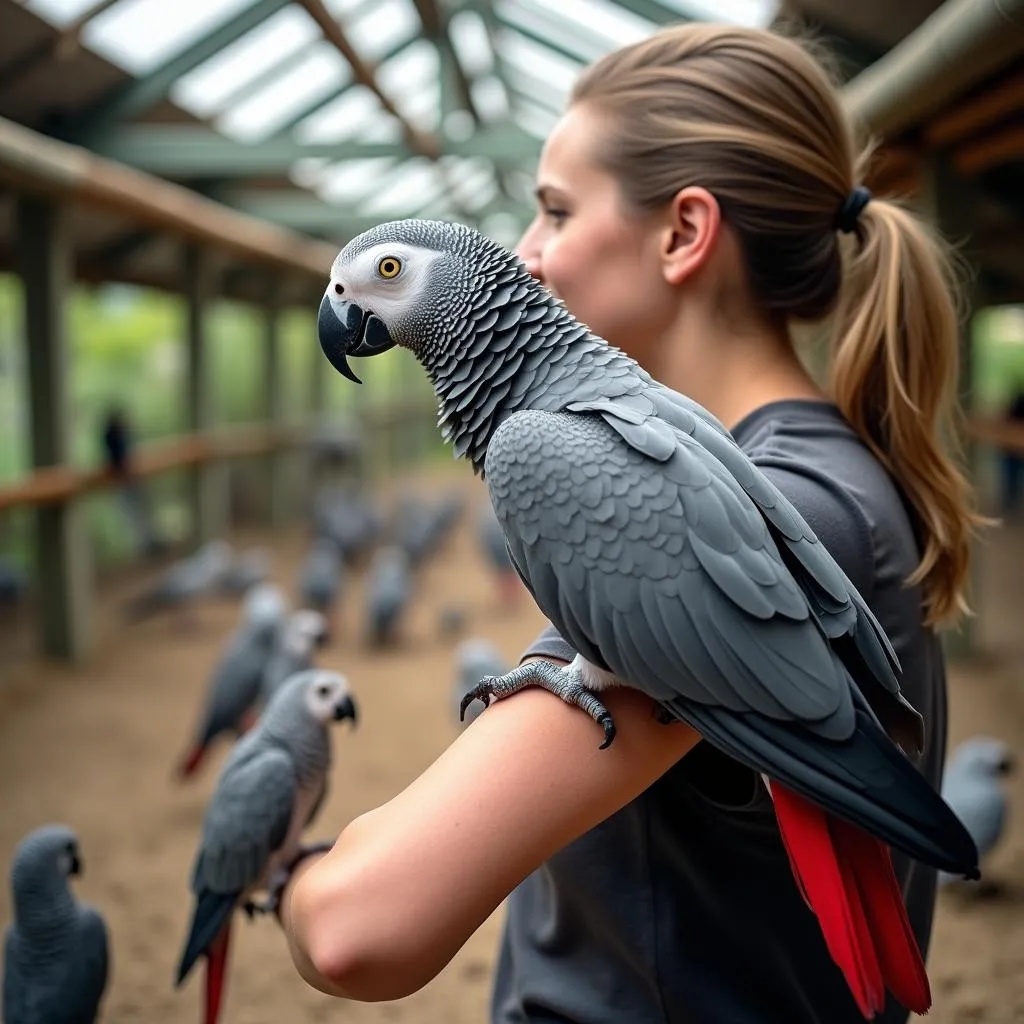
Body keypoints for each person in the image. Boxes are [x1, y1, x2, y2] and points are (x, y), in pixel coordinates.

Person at [276, 23, 980, 1023]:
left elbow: (358, 928)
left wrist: (286, 874)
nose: (524, 251)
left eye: (555, 210)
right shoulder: (799, 465)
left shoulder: (580, 462)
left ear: (685, 233)